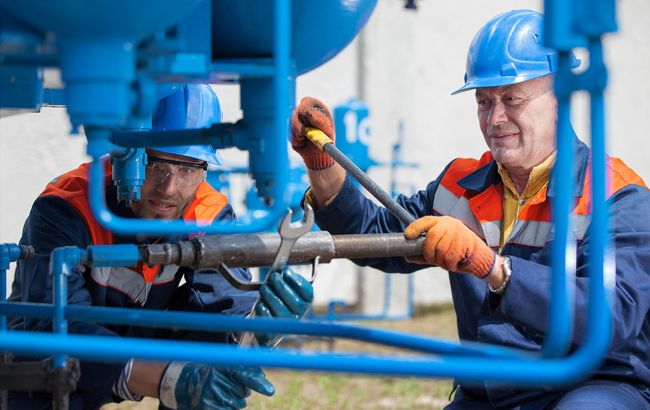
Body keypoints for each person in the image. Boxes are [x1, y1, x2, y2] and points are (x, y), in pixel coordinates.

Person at [290, 9, 650, 410]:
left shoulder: (617, 195)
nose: (495, 118)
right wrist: (321, 167)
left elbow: (612, 316)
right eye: (484, 102)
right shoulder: (458, 186)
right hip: (490, 394)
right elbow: (373, 234)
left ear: (559, 99)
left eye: (511, 99)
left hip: (592, 386)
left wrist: (494, 269)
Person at [8, 84, 314, 409]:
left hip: (139, 343)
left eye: (187, 169)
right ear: (123, 155)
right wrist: (171, 380)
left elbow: (226, 308)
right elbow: (53, 323)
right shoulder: (67, 207)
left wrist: (258, 326)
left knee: (214, 344)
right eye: (154, 164)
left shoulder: (209, 213)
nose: (169, 188)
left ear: (204, 170)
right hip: (46, 368)